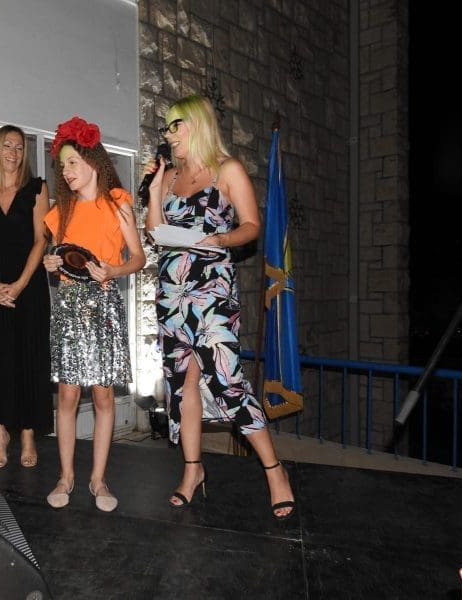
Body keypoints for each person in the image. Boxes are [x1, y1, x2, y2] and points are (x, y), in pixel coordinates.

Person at [143, 94, 296, 519]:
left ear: (196, 124)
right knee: (182, 385)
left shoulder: (227, 169)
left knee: (228, 384)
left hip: (212, 293)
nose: (168, 133)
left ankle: (275, 471)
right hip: (172, 294)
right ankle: (193, 469)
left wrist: (220, 239)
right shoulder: (170, 176)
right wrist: (154, 190)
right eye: (166, 127)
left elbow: (251, 226)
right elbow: (155, 232)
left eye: (175, 125)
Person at [42, 116, 146, 512]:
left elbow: (138, 258)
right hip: (69, 307)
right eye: (62, 166)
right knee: (67, 396)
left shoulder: (118, 202)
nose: (66, 172)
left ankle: (98, 479)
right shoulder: (60, 213)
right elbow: (58, 258)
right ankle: (66, 476)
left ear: (92, 161)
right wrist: (50, 263)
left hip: (103, 307)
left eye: (72, 162)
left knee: (103, 396)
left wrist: (113, 270)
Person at [0, 125, 53, 469]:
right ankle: (0, 434)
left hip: (28, 286)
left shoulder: (37, 188)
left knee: (27, 358)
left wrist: (18, 286)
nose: (14, 152)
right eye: (7, 145)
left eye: (19, 147)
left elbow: (41, 240)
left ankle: (28, 435)